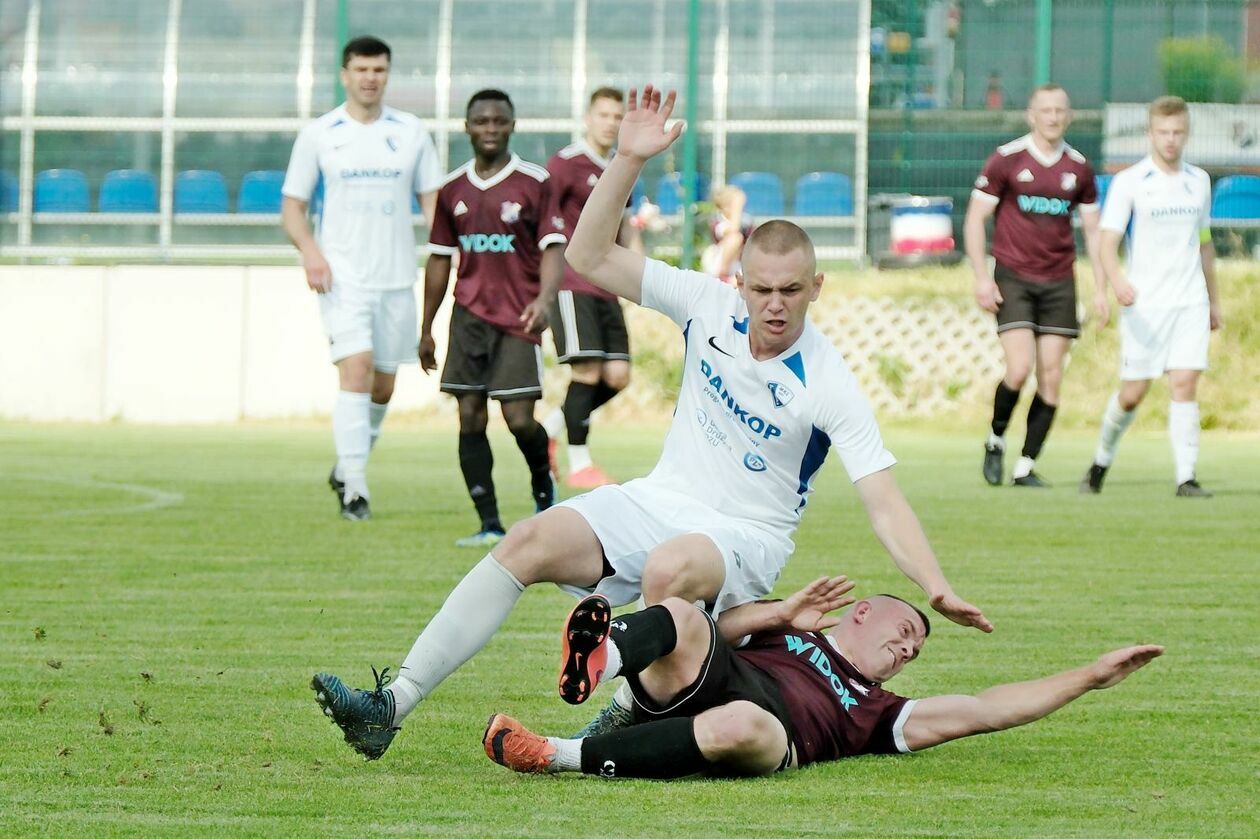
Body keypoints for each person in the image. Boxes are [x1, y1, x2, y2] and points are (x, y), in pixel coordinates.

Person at [310, 85, 990, 763]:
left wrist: (935, 585)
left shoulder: (829, 381)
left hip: (743, 538)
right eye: (761, 288)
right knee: (529, 540)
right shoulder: (705, 302)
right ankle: (389, 704)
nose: (774, 305)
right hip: (659, 497)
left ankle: (618, 713)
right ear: (742, 281)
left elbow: (884, 499)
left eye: (790, 290)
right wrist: (627, 160)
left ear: (817, 287)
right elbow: (587, 257)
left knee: (670, 568)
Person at [483, 585, 1162, 779]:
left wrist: (1091, 676)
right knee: (690, 615)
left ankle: (557, 753)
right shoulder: (796, 632)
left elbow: (987, 708)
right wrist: (780, 611)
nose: (905, 650)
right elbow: (721, 630)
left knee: (743, 724)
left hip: (765, 731)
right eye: (903, 632)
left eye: (915, 651)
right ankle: (605, 649)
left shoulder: (880, 708)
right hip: (717, 674)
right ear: (862, 612)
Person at [281, 36, 442, 521]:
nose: (370, 78)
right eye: (362, 69)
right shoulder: (320, 133)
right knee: (356, 367)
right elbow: (293, 207)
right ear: (344, 74)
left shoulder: (411, 131)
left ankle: (347, 466)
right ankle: (356, 488)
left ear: (387, 75)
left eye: (379, 70)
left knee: (384, 385)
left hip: (396, 276)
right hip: (342, 278)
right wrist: (312, 253)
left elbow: (433, 203)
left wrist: (445, 253)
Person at [418, 89, 568, 547]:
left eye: (498, 121)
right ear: (466, 127)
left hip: (518, 317)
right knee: (469, 416)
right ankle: (489, 523)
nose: (489, 129)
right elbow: (441, 259)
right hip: (468, 320)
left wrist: (545, 300)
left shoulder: (535, 182)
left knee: (519, 418)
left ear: (512, 125)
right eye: (481, 121)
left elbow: (554, 248)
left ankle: (544, 487)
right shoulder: (452, 189)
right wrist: (426, 327)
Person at [1080, 96, 1222, 498]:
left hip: (1189, 301)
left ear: (1187, 134)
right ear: (1150, 134)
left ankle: (1186, 477)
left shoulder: (1199, 181)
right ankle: (1100, 462)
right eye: (1163, 132)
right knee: (1132, 393)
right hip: (1145, 305)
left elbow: (1205, 242)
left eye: (1178, 132)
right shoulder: (1131, 182)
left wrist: (1213, 301)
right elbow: (1107, 243)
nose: (1171, 140)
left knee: (1184, 382)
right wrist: (1115, 283)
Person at [964, 83, 1104, 488]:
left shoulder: (1079, 168)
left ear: (1069, 116)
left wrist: (1099, 288)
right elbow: (975, 219)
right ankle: (995, 439)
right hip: (1014, 278)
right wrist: (980, 277)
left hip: (1059, 281)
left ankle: (1025, 465)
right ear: (1031, 114)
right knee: (1019, 367)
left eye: (1060, 110)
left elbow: (1094, 232)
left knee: (1052, 377)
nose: (1053, 117)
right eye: (1045, 110)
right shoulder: (1007, 160)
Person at [541, 87, 645, 489]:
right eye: (603, 115)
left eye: (617, 116)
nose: (610, 123)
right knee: (585, 371)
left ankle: (549, 429)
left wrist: (642, 279)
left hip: (608, 286)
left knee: (617, 375)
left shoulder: (623, 168)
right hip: (572, 281)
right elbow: (544, 225)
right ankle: (581, 464)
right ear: (588, 118)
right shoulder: (564, 165)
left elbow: (626, 231)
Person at [700, 185, 754, 285]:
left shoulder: (746, 220)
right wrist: (736, 209)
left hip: (738, 265)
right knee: (736, 238)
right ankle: (722, 276)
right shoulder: (719, 222)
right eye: (736, 206)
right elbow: (733, 230)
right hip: (718, 265)